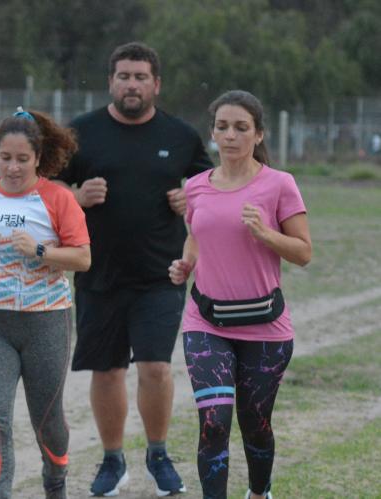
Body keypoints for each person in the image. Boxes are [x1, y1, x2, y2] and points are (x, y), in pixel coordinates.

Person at [52, 42, 213, 497]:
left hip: (160, 275)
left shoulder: (181, 136)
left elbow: (212, 188)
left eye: (141, 77)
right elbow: (46, 188)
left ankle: (158, 455)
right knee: (106, 372)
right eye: (124, 76)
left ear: (156, 84)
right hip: (97, 272)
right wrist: (75, 198)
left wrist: (191, 197)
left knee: (156, 368)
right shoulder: (80, 133)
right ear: (111, 82)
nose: (132, 84)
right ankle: (112, 459)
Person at [169, 90, 311, 499]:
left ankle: (259, 492)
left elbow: (303, 253)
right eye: (222, 127)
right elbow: (196, 239)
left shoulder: (279, 184)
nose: (229, 136)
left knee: (255, 422)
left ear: (258, 134)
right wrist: (185, 265)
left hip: (265, 327)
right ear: (212, 133)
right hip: (206, 322)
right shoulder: (195, 187)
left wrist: (266, 233)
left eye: (240, 128)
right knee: (214, 422)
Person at [0, 108, 90, 499]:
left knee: (47, 422)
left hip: (46, 322)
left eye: (22, 159)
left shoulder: (57, 198)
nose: (13, 167)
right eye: (5, 158)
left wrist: (41, 249)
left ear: (37, 158)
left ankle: (55, 482)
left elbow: (82, 258)